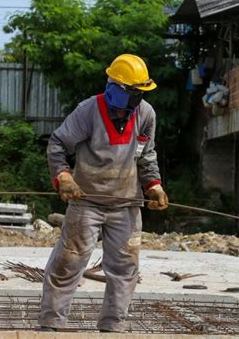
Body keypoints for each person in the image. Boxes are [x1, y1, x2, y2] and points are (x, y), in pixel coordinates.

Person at [39, 54, 168, 332]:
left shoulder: (145, 114)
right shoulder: (88, 111)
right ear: (116, 89)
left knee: (125, 268)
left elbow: (146, 155)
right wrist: (64, 177)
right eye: (134, 93)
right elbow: (58, 143)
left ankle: (112, 326)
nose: (138, 100)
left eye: (141, 94)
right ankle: (52, 323)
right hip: (87, 202)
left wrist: (153, 185)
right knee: (69, 262)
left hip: (126, 204)